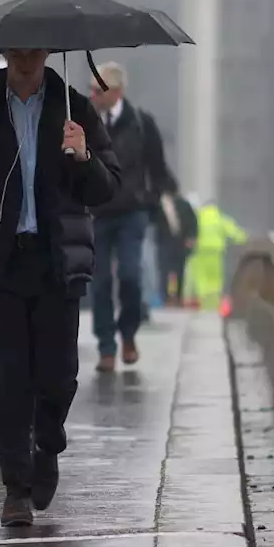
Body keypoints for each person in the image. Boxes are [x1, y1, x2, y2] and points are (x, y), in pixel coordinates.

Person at [0, 49, 120, 526]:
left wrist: (83, 156)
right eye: (16, 49)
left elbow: (107, 189)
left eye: (34, 48)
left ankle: (49, 442)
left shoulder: (75, 108)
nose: (25, 57)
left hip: (57, 262)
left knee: (58, 376)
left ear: (45, 52)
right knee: (6, 379)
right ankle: (16, 489)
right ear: (6, 54)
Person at [87, 62, 176, 372]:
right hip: (98, 212)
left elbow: (159, 168)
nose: (93, 95)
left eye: (99, 90)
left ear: (117, 92)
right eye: (91, 89)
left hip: (132, 213)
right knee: (99, 283)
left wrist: (149, 201)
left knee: (130, 275)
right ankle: (106, 346)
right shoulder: (86, 123)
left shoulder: (141, 123)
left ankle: (128, 334)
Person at [184, 193, 247, 311]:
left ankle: (203, 306)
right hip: (216, 252)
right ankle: (214, 306)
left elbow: (188, 231)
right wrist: (245, 239)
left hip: (200, 252)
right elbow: (235, 233)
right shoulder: (220, 217)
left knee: (202, 279)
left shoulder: (198, 216)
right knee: (215, 280)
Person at [155, 190, 199, 306]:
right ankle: (165, 297)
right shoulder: (158, 205)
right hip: (165, 243)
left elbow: (193, 222)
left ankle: (177, 296)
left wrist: (191, 238)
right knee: (165, 271)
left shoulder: (183, 205)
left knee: (179, 270)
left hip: (180, 243)